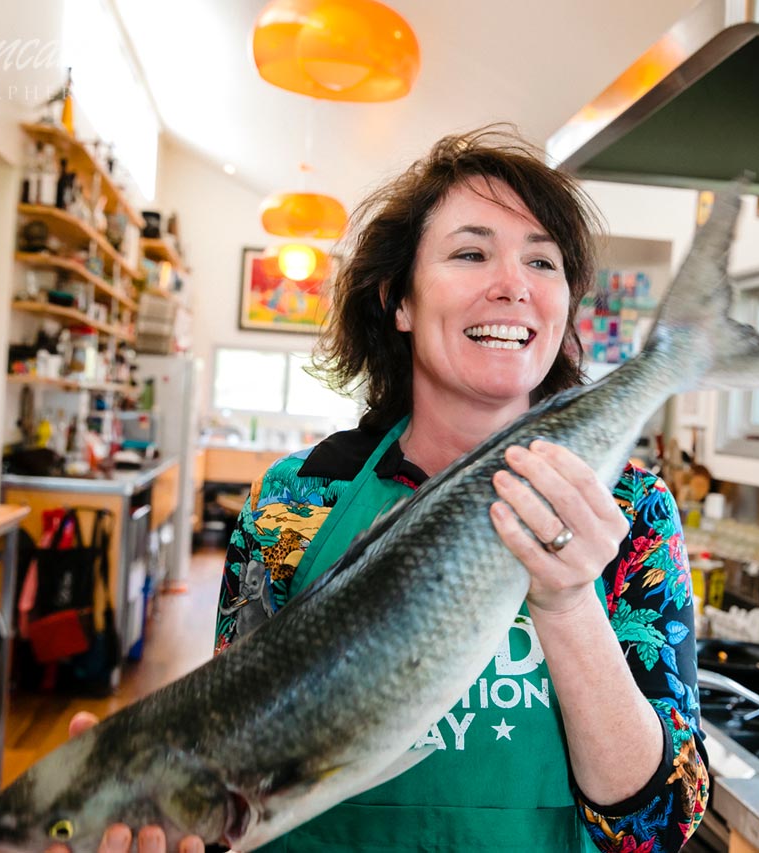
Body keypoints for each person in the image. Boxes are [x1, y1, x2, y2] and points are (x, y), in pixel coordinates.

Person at [52, 126, 708, 853]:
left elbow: (659, 828)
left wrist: (566, 596)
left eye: (542, 261)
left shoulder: (630, 511)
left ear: (562, 307)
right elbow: (235, 771)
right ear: (398, 300)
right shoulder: (293, 501)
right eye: (470, 252)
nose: (513, 284)